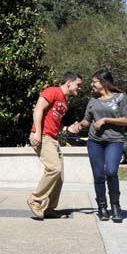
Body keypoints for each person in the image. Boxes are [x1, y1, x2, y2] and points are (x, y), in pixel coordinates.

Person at [68, 69, 127, 223]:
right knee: (98, 175)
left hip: (114, 141)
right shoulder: (93, 100)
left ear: (103, 82)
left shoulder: (120, 98)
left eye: (94, 82)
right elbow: (87, 120)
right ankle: (102, 207)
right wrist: (77, 126)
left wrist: (106, 120)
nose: (92, 85)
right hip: (95, 141)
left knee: (111, 172)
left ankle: (115, 206)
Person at [27, 72, 82, 219]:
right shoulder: (52, 91)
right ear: (69, 83)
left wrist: (67, 129)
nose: (79, 88)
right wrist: (38, 132)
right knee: (54, 168)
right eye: (78, 84)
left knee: (60, 176)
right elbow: (38, 109)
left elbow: (55, 122)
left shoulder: (65, 101)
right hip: (43, 137)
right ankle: (35, 200)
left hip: (53, 139)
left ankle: (49, 208)